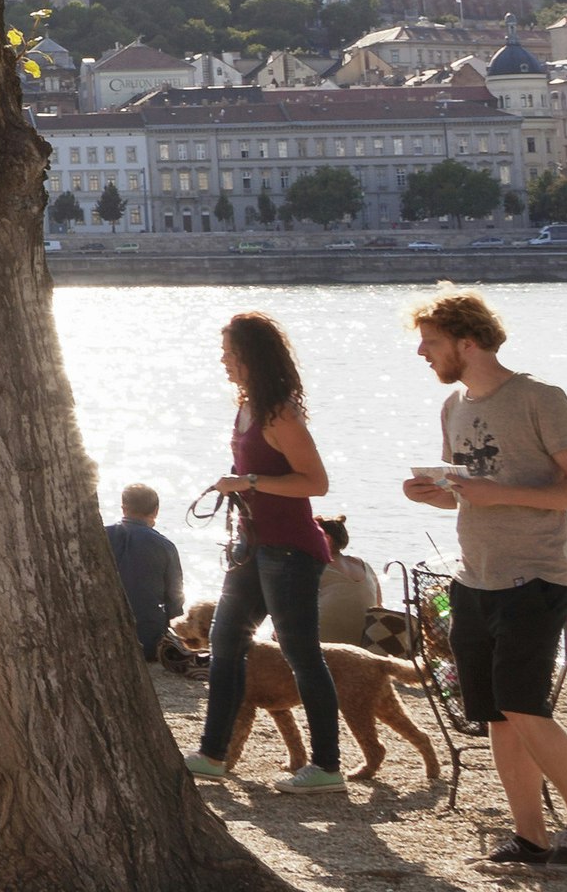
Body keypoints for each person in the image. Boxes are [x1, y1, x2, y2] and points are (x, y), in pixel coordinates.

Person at [401, 291, 567, 867]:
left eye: (431, 342)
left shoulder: (542, 398)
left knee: (523, 705)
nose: (422, 352)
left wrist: (498, 494)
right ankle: (529, 836)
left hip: (535, 577)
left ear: (468, 342)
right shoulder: (452, 406)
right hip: (474, 579)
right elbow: (467, 499)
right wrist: (433, 495)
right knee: (494, 713)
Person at [185, 312, 344, 794]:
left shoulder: (280, 415)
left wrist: (249, 481)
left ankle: (326, 766)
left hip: (291, 550)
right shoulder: (247, 408)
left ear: (252, 356)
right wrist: (238, 483)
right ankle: (213, 754)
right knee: (225, 642)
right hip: (251, 547)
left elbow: (315, 483)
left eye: (230, 353)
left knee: (301, 653)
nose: (223, 360)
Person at [107, 483, 189, 666]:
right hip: (147, 641)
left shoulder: (101, 536)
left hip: (104, 637)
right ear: (156, 511)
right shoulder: (165, 546)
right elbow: (175, 599)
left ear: (123, 508)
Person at [316, 516, 390, 651]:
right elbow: (379, 606)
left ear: (326, 539)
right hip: (365, 643)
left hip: (326, 645)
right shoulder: (364, 565)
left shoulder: (316, 566)